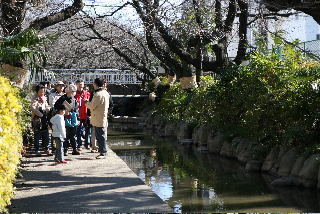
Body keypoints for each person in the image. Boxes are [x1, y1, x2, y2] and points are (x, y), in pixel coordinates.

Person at [85, 78, 110, 159]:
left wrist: (86, 103)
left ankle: (103, 153)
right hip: (103, 116)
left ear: (95, 84)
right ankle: (103, 151)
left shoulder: (98, 94)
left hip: (98, 117)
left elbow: (92, 105)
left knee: (100, 136)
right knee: (102, 135)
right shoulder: (105, 92)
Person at [54, 84, 80, 156]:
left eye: (74, 91)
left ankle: (74, 149)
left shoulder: (74, 99)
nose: (73, 93)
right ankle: (65, 150)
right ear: (68, 91)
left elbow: (76, 109)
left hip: (73, 118)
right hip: (65, 118)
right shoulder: (62, 98)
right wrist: (63, 110)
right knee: (66, 135)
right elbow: (56, 106)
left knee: (73, 135)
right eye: (72, 91)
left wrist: (78, 118)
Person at [30, 84, 51, 156]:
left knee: (46, 134)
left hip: (44, 118)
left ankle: (46, 148)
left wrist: (48, 108)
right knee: (37, 135)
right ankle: (37, 150)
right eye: (41, 92)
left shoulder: (44, 97)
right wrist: (40, 114)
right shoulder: (34, 98)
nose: (42, 93)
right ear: (37, 91)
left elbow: (47, 105)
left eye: (43, 91)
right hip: (37, 118)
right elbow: (32, 107)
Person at [75, 80, 91, 150]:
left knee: (87, 129)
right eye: (78, 84)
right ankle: (79, 144)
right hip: (78, 115)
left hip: (86, 114)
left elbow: (90, 104)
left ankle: (87, 144)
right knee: (78, 130)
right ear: (76, 85)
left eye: (81, 84)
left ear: (83, 85)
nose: (80, 86)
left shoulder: (87, 94)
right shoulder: (74, 94)